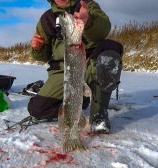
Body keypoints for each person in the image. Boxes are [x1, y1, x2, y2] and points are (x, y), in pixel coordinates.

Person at [28, 0, 123, 133]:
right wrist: (37, 49)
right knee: (37, 109)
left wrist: (88, 21)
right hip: (63, 70)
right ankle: (79, 102)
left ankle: (98, 114)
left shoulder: (87, 5)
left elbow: (103, 30)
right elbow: (44, 56)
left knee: (110, 51)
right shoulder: (47, 18)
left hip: (91, 64)